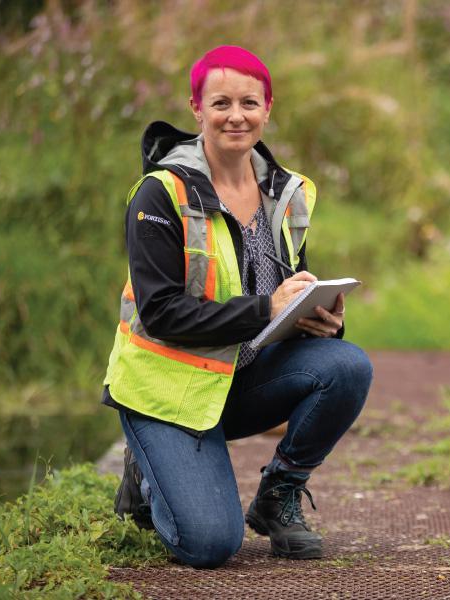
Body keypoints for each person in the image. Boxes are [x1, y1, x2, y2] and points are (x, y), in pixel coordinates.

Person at [102, 45, 373, 568]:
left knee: (346, 365)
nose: (236, 115)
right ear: (196, 109)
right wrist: (266, 307)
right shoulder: (160, 195)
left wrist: (320, 317)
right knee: (209, 546)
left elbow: (282, 295)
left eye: (249, 102)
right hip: (167, 393)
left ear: (268, 108)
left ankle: (278, 495)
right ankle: (147, 469)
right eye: (220, 102)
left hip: (235, 379)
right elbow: (160, 313)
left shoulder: (286, 192)